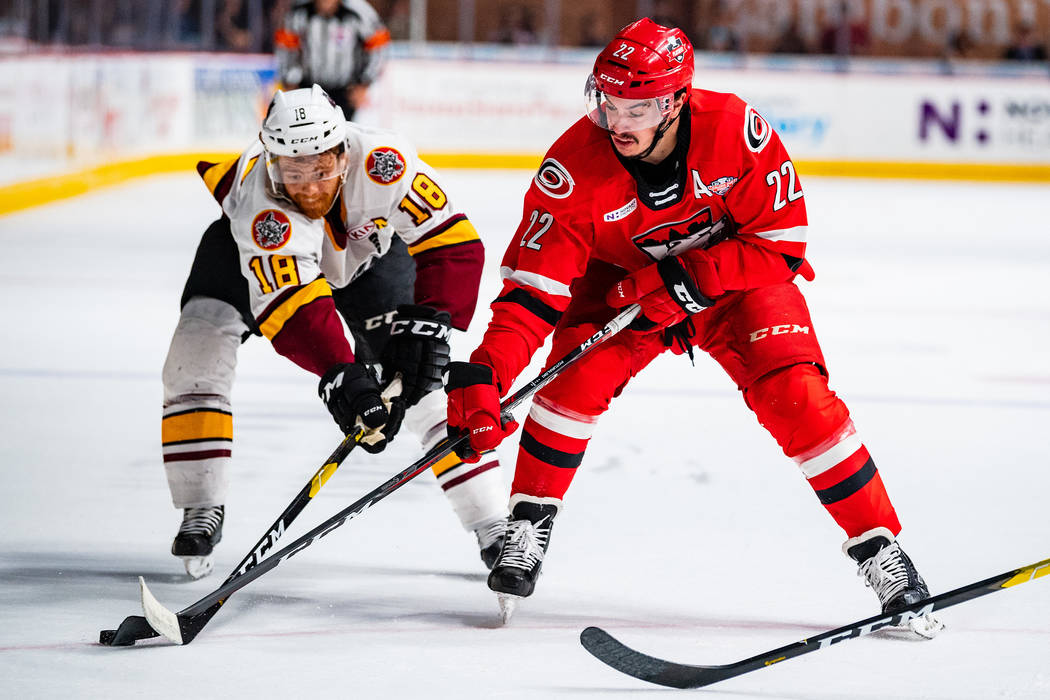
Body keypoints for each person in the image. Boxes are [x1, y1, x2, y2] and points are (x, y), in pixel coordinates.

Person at [445, 19, 942, 636]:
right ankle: (529, 519)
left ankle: (880, 551)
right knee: (568, 383)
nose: (619, 120)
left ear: (677, 99)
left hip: (736, 286)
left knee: (800, 400)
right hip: (623, 289)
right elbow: (531, 296)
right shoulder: (572, 169)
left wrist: (693, 277)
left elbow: (784, 244)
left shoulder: (737, 132)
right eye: (609, 100)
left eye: (640, 105)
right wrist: (489, 369)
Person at [163, 85, 507, 578]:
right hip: (240, 261)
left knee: (424, 384)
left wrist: (430, 324)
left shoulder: (383, 161)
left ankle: (495, 525)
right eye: (293, 173)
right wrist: (343, 374)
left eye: (321, 170)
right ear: (271, 159)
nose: (308, 188)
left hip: (368, 263)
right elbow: (293, 304)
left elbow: (452, 243)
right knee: (195, 354)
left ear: (343, 151)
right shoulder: (260, 204)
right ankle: (200, 504)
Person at [275, 0, 390, 120]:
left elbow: (379, 46)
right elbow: (286, 49)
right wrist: (290, 81)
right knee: (309, 133)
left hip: (345, 91)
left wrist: (364, 83)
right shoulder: (299, 12)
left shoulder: (359, 11)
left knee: (341, 134)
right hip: (308, 89)